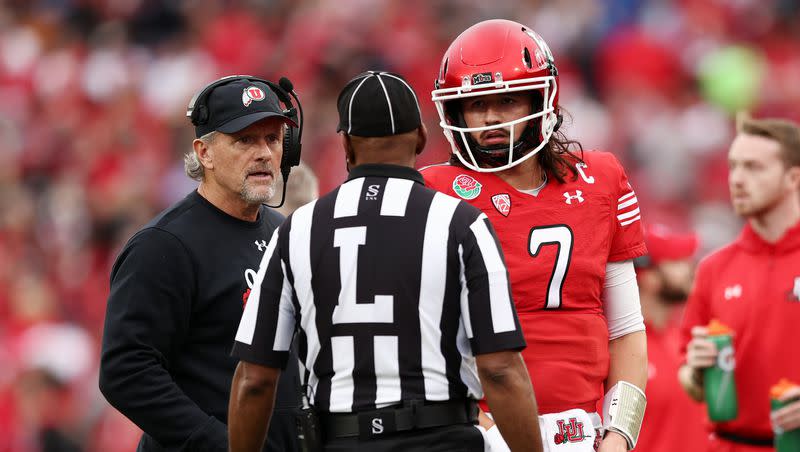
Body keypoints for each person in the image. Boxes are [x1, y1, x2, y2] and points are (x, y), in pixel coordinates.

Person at [227, 70, 543, 452]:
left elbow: (255, 379)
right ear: (422, 137)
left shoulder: (297, 230)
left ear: (345, 144)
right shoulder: (463, 224)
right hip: (442, 438)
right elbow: (500, 369)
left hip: (342, 440)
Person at [421, 19, 648, 452]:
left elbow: (626, 328)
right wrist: (479, 427)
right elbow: (418, 333)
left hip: (583, 431)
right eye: (475, 103)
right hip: (479, 430)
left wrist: (620, 433)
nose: (488, 117)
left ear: (542, 98)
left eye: (506, 99)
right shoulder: (435, 191)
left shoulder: (601, 179)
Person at [99, 75, 304, 452]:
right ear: (204, 153)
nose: (262, 153)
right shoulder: (164, 245)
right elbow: (125, 372)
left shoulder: (286, 233)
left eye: (272, 139)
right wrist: (222, 445)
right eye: (244, 140)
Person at [679, 115, 800, 451]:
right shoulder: (713, 268)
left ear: (793, 178)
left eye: (754, 168)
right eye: (734, 167)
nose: (737, 179)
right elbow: (689, 380)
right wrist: (696, 371)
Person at [633, 224, 708, 451]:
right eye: (678, 261)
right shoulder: (619, 349)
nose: (690, 268)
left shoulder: (687, 338)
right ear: (649, 277)